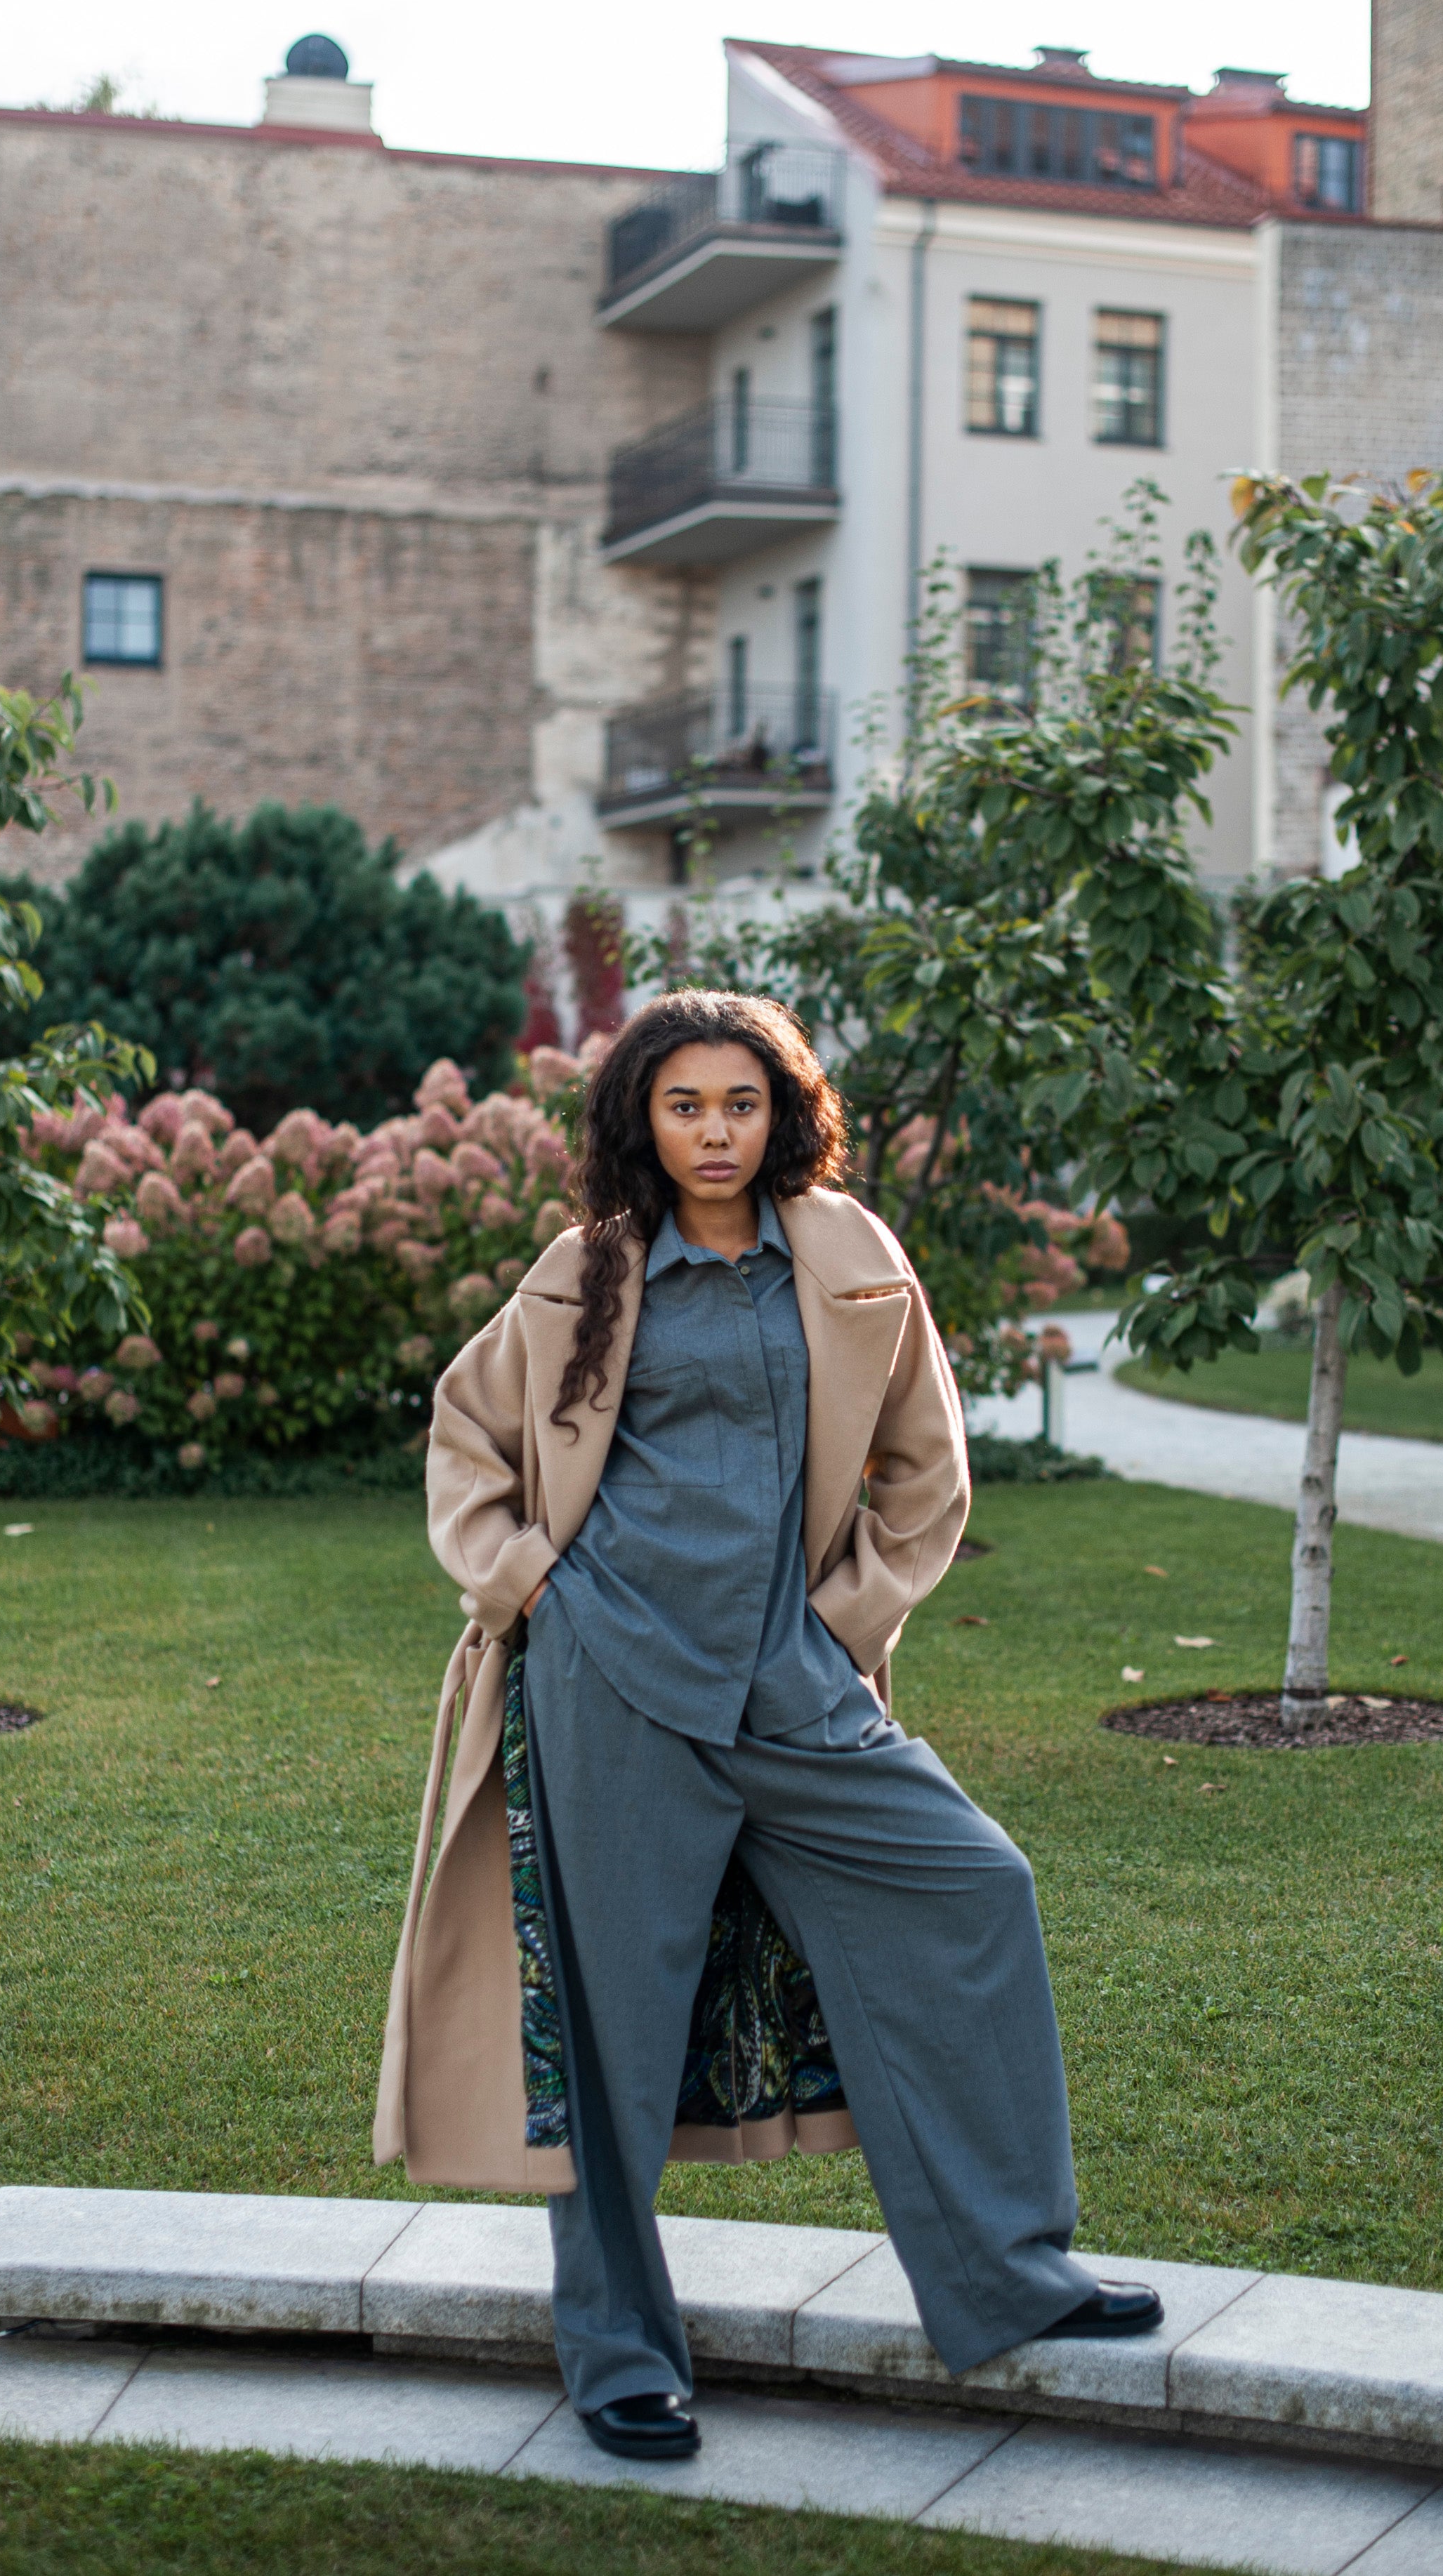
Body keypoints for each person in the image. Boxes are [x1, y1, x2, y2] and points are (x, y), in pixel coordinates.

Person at [374, 991, 1161, 2462]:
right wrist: (533, 1586)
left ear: (781, 1110)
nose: (714, 1132)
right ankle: (617, 2354)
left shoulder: (851, 1255)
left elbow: (926, 1473)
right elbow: (465, 1437)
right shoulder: (585, 1272)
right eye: (684, 1106)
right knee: (608, 2025)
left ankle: (1011, 2275)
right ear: (642, 1122)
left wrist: (846, 1627)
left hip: (795, 1685)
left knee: (973, 1887)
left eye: (740, 1103)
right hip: (608, 1683)